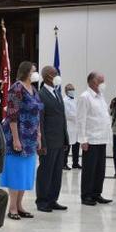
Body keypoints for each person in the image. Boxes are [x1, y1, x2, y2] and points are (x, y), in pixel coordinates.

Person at [0, 61, 43, 220]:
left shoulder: (34, 90)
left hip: (31, 136)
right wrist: (16, 140)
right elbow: (12, 115)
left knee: (26, 172)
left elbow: (37, 113)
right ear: (26, 72)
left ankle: (20, 205)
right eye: (33, 71)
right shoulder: (16, 88)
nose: (35, 73)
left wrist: (38, 134)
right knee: (16, 171)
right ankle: (12, 207)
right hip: (17, 135)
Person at [35, 66, 68, 213]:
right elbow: (40, 121)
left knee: (56, 172)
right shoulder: (41, 94)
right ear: (48, 76)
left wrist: (66, 139)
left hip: (60, 140)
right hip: (48, 140)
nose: (58, 76)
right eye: (55, 74)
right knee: (45, 172)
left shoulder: (57, 93)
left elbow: (62, 118)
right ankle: (42, 200)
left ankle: (52, 199)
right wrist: (41, 142)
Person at [77, 71, 112, 206]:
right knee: (89, 169)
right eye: (101, 81)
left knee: (100, 169)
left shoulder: (101, 96)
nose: (103, 84)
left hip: (102, 138)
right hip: (91, 139)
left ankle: (97, 193)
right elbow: (81, 120)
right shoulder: (85, 97)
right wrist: (83, 139)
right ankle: (86, 195)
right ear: (92, 82)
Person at [63, 83, 81, 170]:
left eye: (73, 89)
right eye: (70, 90)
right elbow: (67, 114)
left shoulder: (75, 99)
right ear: (66, 91)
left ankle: (75, 163)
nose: (72, 91)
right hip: (69, 126)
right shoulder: (65, 101)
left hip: (76, 126)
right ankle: (64, 163)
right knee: (68, 145)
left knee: (76, 145)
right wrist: (76, 117)